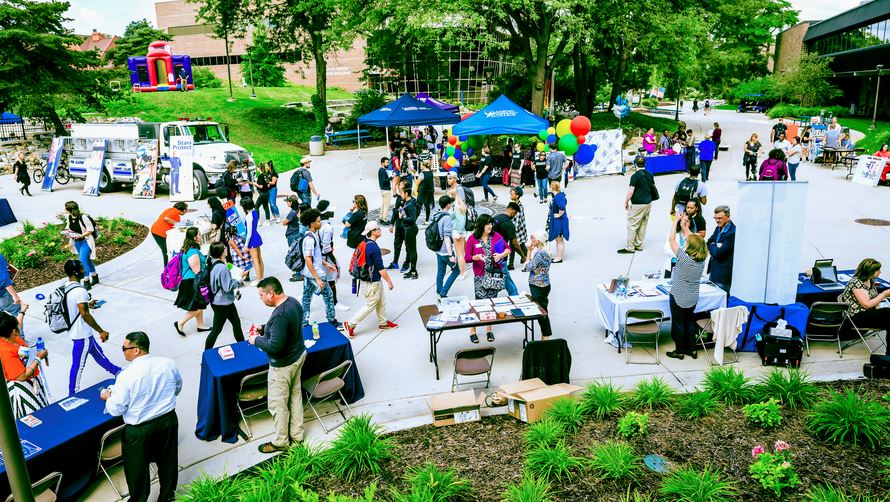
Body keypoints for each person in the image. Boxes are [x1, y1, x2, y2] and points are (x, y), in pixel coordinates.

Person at [101, 332, 181, 502]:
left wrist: (108, 397)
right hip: (168, 420)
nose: (123, 352)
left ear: (136, 350)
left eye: (124, 348)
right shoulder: (167, 363)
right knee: (168, 462)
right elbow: (177, 387)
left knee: (137, 470)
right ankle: (168, 497)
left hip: (139, 430)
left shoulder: (126, 375)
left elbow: (116, 409)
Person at [250, 277, 308, 452]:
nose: (260, 298)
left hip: (283, 366)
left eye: (261, 295)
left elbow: (275, 347)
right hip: (298, 356)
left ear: (271, 293)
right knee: (295, 397)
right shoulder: (293, 303)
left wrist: (256, 340)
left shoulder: (280, 315)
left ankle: (281, 441)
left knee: (278, 405)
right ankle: (297, 436)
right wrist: (264, 328)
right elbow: (284, 328)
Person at [61, 259, 121, 395]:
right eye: (82, 268)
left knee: (98, 354)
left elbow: (75, 306)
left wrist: (88, 303)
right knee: (78, 366)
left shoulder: (67, 286)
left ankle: (117, 371)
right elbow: (85, 315)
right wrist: (101, 331)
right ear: (76, 272)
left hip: (79, 332)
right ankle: (72, 393)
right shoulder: (80, 291)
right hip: (81, 335)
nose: (84, 270)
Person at [342, 221, 397, 338]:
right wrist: (389, 281)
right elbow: (380, 267)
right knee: (370, 305)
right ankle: (350, 324)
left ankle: (383, 323)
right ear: (372, 232)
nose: (380, 229)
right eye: (378, 228)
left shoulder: (364, 243)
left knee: (381, 301)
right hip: (371, 283)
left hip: (370, 280)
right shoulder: (374, 248)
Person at [666, 215, 707, 360]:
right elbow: (698, 242)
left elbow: (671, 240)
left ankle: (679, 351)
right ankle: (692, 349)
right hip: (693, 296)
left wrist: (676, 222)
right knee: (690, 322)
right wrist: (685, 227)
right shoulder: (702, 258)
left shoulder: (684, 258)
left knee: (678, 324)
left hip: (678, 295)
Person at [465, 214, 510, 343]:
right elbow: (466, 257)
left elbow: (508, 248)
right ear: (481, 225)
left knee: (491, 303)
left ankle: (489, 329)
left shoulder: (496, 236)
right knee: (479, 303)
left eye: (491, 223)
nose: (490, 226)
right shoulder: (472, 239)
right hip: (480, 276)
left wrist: (501, 254)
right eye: (487, 224)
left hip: (493, 275)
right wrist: (475, 257)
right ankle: (472, 330)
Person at [0, 312, 49, 419]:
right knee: (35, 417)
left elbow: (23, 353)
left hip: (33, 382)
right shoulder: (5, 351)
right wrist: (38, 358)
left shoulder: (11, 338)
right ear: (13, 332)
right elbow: (22, 376)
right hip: (23, 389)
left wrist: (22, 311)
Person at [299, 209, 341, 328]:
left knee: (306, 298)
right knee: (328, 297)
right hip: (315, 273)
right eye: (318, 221)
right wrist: (317, 278)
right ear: (312, 223)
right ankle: (332, 320)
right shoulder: (310, 239)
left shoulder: (310, 236)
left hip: (307, 273)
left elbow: (313, 257)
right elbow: (308, 259)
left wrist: (326, 263)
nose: (320, 222)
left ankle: (304, 322)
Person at [839, 258, 890, 354]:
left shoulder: (870, 281)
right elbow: (866, 304)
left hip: (868, 314)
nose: (880, 272)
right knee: (888, 313)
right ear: (870, 272)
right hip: (856, 317)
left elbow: (873, 299)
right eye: (877, 270)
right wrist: (884, 294)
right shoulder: (856, 283)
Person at [204, 241, 245, 350]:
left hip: (223, 301)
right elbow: (227, 287)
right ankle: (206, 353)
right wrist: (239, 279)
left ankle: (243, 346)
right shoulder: (222, 268)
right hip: (222, 303)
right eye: (225, 248)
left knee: (236, 323)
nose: (227, 249)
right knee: (216, 330)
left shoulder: (213, 262)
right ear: (221, 252)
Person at [172, 227, 209, 337]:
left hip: (190, 281)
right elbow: (196, 270)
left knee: (197, 304)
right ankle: (180, 323)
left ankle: (200, 325)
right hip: (192, 281)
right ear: (194, 237)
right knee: (201, 305)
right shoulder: (192, 250)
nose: (201, 235)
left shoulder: (188, 249)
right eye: (199, 234)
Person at [316, 200, 348, 312]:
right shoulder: (327, 228)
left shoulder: (319, 224)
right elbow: (326, 247)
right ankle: (334, 302)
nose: (333, 213)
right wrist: (333, 261)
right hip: (326, 257)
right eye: (331, 211)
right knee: (331, 279)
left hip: (320, 256)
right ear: (326, 213)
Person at [619, 157, 656, 254]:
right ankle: (639, 245)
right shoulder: (649, 175)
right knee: (643, 224)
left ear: (635, 164)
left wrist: (626, 202)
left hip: (638, 204)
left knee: (632, 225)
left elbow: (631, 192)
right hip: (648, 203)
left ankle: (630, 247)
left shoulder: (635, 176)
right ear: (645, 164)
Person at [523, 230, 553, 339]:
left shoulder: (540, 254)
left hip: (538, 286)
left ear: (539, 240)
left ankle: (546, 338)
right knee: (542, 311)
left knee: (542, 314)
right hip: (543, 284)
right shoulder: (543, 251)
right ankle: (544, 338)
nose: (531, 240)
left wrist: (528, 252)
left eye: (532, 238)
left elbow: (526, 268)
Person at [64, 201, 100, 290]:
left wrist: (81, 235)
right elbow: (69, 228)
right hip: (77, 242)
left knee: (82, 261)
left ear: (70, 209)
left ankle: (86, 281)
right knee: (87, 260)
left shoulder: (83, 217)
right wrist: (68, 233)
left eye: (65, 208)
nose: (64, 209)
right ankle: (95, 277)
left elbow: (90, 229)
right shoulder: (69, 216)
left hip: (86, 241)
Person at [432, 196, 460, 298]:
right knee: (456, 271)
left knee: (441, 271)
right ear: (448, 205)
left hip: (437, 248)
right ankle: (443, 292)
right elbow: (446, 237)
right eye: (450, 203)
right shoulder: (447, 218)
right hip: (445, 250)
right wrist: (450, 255)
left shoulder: (436, 215)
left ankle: (439, 290)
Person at [706, 205, 735, 294]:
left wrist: (713, 246)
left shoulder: (732, 232)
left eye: (720, 218)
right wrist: (714, 246)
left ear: (728, 217)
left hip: (723, 272)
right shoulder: (718, 228)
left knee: (722, 296)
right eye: (715, 218)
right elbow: (708, 242)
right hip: (714, 269)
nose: (717, 221)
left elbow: (719, 253)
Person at [150, 202, 189, 266]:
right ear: (184, 210)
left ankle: (167, 268)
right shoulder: (175, 211)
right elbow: (166, 218)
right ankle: (167, 269)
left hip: (156, 231)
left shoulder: (170, 210)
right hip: (160, 233)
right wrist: (178, 224)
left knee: (167, 250)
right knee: (166, 251)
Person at [396, 180, 420, 279]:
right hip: (409, 228)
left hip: (410, 229)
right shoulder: (410, 202)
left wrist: (403, 217)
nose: (401, 195)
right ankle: (412, 270)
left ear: (406, 193)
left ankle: (414, 271)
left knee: (412, 251)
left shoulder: (409, 205)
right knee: (411, 250)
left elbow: (413, 218)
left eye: (402, 193)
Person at [0, 253, 27, 337]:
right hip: (3, 293)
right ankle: (20, 340)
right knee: (17, 312)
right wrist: (15, 295)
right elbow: (4, 279)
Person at [241, 197, 265, 283]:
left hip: (252, 240)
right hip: (257, 236)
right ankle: (261, 277)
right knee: (259, 258)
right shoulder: (255, 212)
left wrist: (246, 245)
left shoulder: (248, 216)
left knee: (255, 260)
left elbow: (249, 233)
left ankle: (258, 280)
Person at [447, 186, 469, 278]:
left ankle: (462, 273)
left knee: (459, 254)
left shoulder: (455, 207)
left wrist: (457, 233)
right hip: (461, 231)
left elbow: (460, 220)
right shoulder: (460, 205)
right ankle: (464, 270)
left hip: (457, 232)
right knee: (462, 253)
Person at [547, 181, 569, 263]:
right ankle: (559, 256)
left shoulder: (558, 197)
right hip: (559, 221)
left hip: (559, 221)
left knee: (559, 239)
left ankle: (559, 257)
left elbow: (562, 207)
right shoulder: (559, 195)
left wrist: (559, 215)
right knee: (558, 239)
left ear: (552, 187)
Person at [508, 187, 528, 270]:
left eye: (512, 195)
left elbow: (517, 221)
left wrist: (512, 231)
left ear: (517, 196)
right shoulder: (515, 205)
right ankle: (512, 263)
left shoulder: (519, 207)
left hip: (518, 230)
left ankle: (526, 259)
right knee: (516, 245)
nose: (510, 196)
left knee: (516, 245)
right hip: (517, 230)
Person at [377, 157, 393, 225]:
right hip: (386, 190)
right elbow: (383, 181)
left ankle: (381, 218)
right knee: (386, 205)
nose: (388, 164)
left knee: (383, 204)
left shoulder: (381, 170)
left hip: (383, 189)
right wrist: (391, 178)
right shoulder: (382, 171)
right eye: (387, 162)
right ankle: (385, 219)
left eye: (388, 162)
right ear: (382, 163)